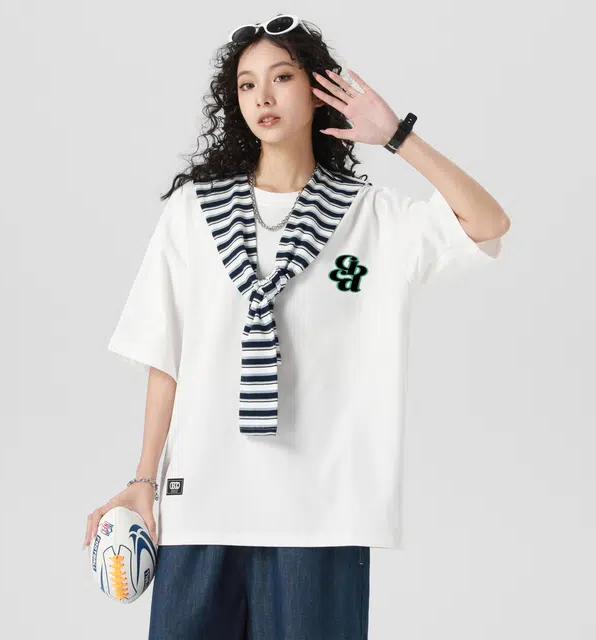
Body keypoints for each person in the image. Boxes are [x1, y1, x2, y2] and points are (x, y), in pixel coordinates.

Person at [82, 13, 510, 640]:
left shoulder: (370, 218)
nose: (263, 96)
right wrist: (143, 481)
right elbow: (166, 358)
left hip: (323, 515)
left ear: (316, 90)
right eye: (247, 84)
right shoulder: (194, 213)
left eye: (282, 77)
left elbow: (488, 224)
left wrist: (396, 136)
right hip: (202, 506)